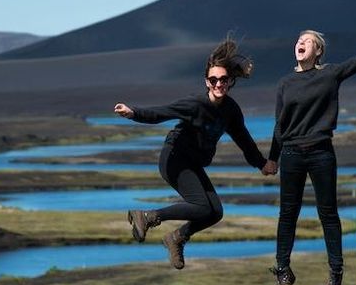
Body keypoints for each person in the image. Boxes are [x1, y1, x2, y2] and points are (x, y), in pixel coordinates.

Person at [266, 13, 356, 285]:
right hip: (291, 153)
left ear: (318, 51)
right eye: (299, 40)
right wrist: (273, 158)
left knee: (327, 214)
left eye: (308, 42)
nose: (301, 43)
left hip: (320, 152)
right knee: (287, 215)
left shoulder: (330, 74)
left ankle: (335, 273)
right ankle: (282, 270)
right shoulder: (285, 83)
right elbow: (279, 124)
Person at [114, 37, 275, 269]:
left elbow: (244, 140)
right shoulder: (195, 104)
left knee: (215, 212)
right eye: (213, 80)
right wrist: (133, 113)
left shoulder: (230, 110)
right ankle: (148, 217)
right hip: (174, 159)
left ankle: (176, 237)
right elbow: (161, 113)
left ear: (230, 81)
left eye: (223, 79)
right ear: (206, 82)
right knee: (201, 206)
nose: (218, 84)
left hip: (193, 163)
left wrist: (261, 164)